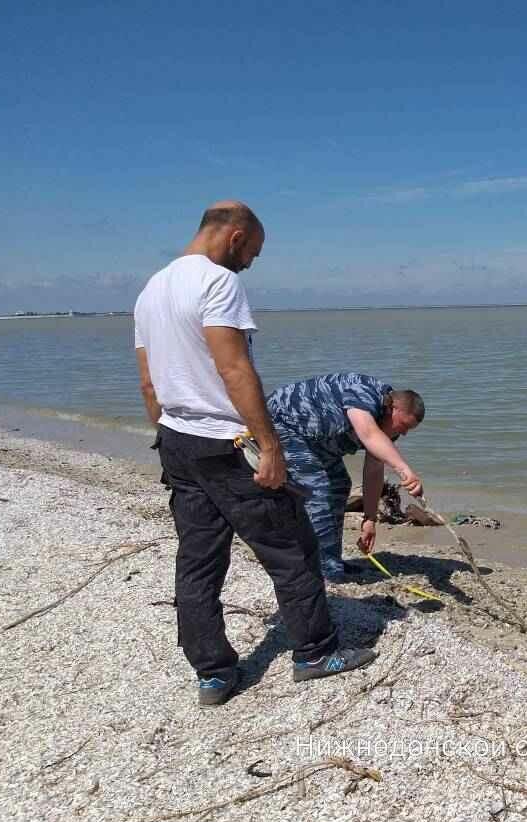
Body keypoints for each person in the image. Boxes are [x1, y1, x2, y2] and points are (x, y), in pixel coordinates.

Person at [134, 202, 376, 708]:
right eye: (254, 252)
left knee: (198, 561)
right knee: (292, 546)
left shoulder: (150, 290)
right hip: (226, 442)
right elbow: (236, 371)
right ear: (235, 237)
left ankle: (213, 673)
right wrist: (269, 445)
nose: (251, 263)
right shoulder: (217, 282)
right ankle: (314, 652)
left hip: (177, 441)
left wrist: (169, 438)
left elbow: (150, 383)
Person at [266, 374, 425, 581]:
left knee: (339, 485)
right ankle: (322, 568)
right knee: (319, 490)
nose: (403, 433)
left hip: (315, 439)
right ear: (393, 408)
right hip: (281, 424)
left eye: (408, 430)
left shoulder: (387, 427)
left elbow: (374, 468)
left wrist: (369, 518)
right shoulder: (365, 393)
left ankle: (331, 561)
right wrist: (404, 470)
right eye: (403, 426)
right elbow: (368, 433)